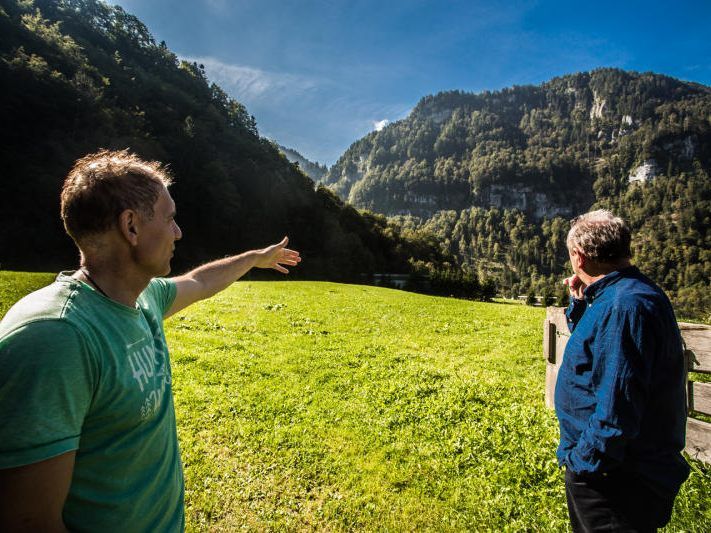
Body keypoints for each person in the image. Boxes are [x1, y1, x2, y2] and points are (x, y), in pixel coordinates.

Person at [0, 150, 301, 531]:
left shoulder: (145, 296)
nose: (178, 232)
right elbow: (28, 520)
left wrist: (255, 257)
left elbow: (200, 282)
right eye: (170, 218)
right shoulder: (55, 338)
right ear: (131, 227)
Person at [555, 209, 690, 532]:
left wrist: (582, 465)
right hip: (615, 472)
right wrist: (579, 302)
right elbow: (600, 349)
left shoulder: (624, 307)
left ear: (580, 257)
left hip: (614, 480)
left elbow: (618, 407)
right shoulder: (624, 295)